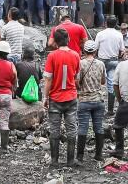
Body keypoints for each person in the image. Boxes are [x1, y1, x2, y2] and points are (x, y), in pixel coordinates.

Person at [42, 27, 81, 168]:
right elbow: (76, 77)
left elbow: (48, 80)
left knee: (54, 130)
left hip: (55, 98)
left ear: (55, 42)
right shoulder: (76, 55)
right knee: (72, 129)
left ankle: (54, 160)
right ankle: (71, 160)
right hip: (71, 97)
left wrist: (45, 98)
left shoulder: (52, 56)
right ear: (68, 40)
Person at [76, 40, 107, 162]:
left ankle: (80, 156)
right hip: (98, 100)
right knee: (98, 127)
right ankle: (99, 155)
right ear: (95, 51)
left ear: (84, 51)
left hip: (84, 100)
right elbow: (103, 81)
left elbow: (76, 81)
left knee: (82, 127)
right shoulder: (101, 64)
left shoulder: (80, 63)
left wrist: (81, 88)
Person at [95, 17, 124, 114]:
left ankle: (96, 108)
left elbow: (95, 49)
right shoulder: (119, 34)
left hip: (101, 61)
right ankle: (110, 110)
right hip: (113, 61)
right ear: (116, 24)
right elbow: (122, 50)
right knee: (112, 85)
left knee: (96, 84)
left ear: (106, 23)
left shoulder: (100, 34)